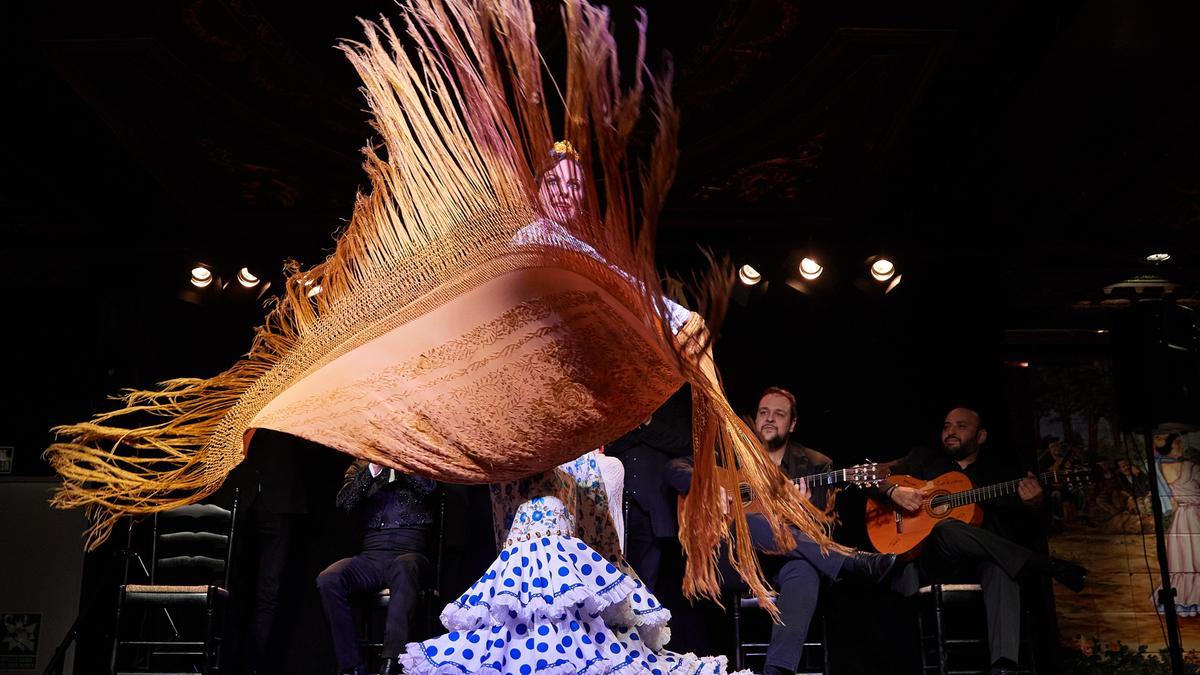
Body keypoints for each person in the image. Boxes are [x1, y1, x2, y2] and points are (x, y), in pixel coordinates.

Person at [665, 386, 894, 675]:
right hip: (734, 560)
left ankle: (777, 670)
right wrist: (708, 489)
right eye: (763, 413)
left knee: (804, 570)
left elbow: (821, 531)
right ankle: (850, 562)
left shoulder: (816, 465)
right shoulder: (732, 453)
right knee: (752, 522)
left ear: (793, 424)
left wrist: (803, 512)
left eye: (779, 414)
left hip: (781, 562)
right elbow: (674, 468)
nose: (769, 419)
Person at [879, 407, 1087, 674]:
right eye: (946, 425)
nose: (950, 431)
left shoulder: (1003, 474)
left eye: (961, 426)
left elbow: (1033, 527)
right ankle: (1045, 565)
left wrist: (1035, 505)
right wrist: (893, 490)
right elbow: (870, 475)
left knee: (1001, 568)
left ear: (981, 436)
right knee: (946, 528)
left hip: (987, 561)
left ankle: (1003, 666)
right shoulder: (922, 460)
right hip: (936, 561)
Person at [316, 460, 437, 675]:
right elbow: (345, 502)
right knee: (329, 579)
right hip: (372, 554)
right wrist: (373, 469)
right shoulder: (360, 465)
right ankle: (351, 665)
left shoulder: (419, 457)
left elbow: (429, 488)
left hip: (410, 550)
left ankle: (392, 660)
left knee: (404, 566)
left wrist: (398, 459)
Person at [223, 428, 311, 674]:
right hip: (241, 501)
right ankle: (227, 663)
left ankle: (256, 666)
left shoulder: (295, 398)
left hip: (280, 502)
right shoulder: (247, 398)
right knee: (233, 589)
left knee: (269, 592)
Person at [605, 387, 694, 590]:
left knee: (644, 586)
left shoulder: (673, 397)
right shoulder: (617, 398)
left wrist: (646, 423)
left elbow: (685, 443)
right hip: (614, 507)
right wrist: (641, 430)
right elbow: (608, 443)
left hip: (651, 510)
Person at [1152, 433, 1200, 616]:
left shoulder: (1158, 468)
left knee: (1186, 558)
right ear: (1171, 446)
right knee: (1194, 558)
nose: (1181, 446)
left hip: (1180, 518)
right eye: (1178, 443)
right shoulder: (1190, 466)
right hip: (1196, 516)